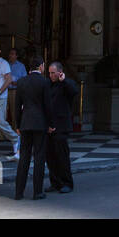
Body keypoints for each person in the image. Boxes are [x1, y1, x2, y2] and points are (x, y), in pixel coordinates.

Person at [13, 59, 51, 200]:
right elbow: (48, 105)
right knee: (39, 158)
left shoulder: (22, 82)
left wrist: (17, 125)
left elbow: (17, 106)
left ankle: (19, 192)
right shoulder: (44, 82)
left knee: (24, 157)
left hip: (25, 123)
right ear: (40, 66)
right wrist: (50, 123)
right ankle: (37, 191)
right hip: (40, 124)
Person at [46, 61, 78, 193]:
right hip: (49, 127)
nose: (51, 75)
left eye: (53, 73)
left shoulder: (67, 84)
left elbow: (73, 91)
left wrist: (63, 81)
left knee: (62, 156)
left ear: (60, 72)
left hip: (61, 126)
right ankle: (55, 183)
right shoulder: (48, 85)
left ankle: (67, 183)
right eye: (49, 73)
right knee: (50, 157)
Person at [6, 47, 26, 128]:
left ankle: (15, 132)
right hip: (4, 90)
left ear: (16, 56)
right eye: (10, 54)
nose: (10, 55)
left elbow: (24, 80)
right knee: (3, 113)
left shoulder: (21, 66)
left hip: (15, 91)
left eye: (12, 54)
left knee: (15, 113)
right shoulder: (5, 64)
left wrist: (17, 83)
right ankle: (2, 135)